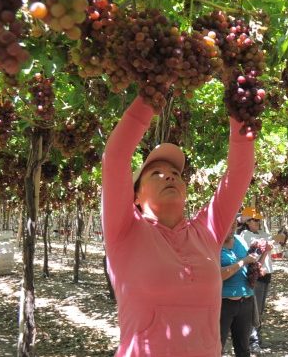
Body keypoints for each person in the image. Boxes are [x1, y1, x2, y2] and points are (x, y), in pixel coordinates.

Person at [101, 95, 255, 356]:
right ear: (135, 196)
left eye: (175, 173)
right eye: (156, 173)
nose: (169, 176)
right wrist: (151, 94)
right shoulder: (124, 231)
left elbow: (239, 174)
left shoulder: (207, 230)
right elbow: (115, 157)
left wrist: (240, 111)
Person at [237, 206, 285, 352]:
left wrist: (281, 235)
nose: (258, 222)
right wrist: (272, 240)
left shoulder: (262, 233)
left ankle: (256, 337)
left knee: (260, 309)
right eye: (255, 220)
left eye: (258, 220)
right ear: (247, 221)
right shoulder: (245, 235)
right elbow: (258, 246)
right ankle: (252, 341)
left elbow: (276, 241)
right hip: (256, 275)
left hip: (266, 275)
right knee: (255, 309)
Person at [220, 219, 263, 357]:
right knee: (216, 347)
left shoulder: (240, 240)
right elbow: (218, 275)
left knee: (243, 348)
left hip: (245, 301)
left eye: (234, 225)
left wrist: (264, 254)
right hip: (223, 304)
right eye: (229, 225)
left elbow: (252, 266)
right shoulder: (213, 245)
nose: (232, 229)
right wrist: (243, 261)